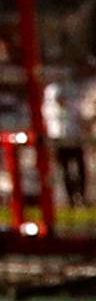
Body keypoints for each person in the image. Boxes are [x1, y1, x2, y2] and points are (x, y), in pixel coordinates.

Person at [42, 64, 89, 208]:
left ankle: (81, 196)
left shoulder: (71, 90)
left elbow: (78, 114)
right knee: (65, 169)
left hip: (73, 136)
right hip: (59, 137)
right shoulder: (52, 90)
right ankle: (70, 200)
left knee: (80, 168)